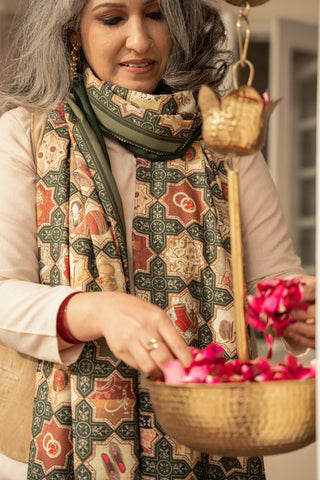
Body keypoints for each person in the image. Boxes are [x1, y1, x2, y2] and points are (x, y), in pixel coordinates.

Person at [0, 0, 316, 479]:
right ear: (73, 30)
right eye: (111, 18)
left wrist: (292, 311)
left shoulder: (223, 136)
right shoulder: (26, 132)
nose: (141, 40)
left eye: (156, 14)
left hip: (215, 428)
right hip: (75, 435)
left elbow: (276, 278)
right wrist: (98, 311)